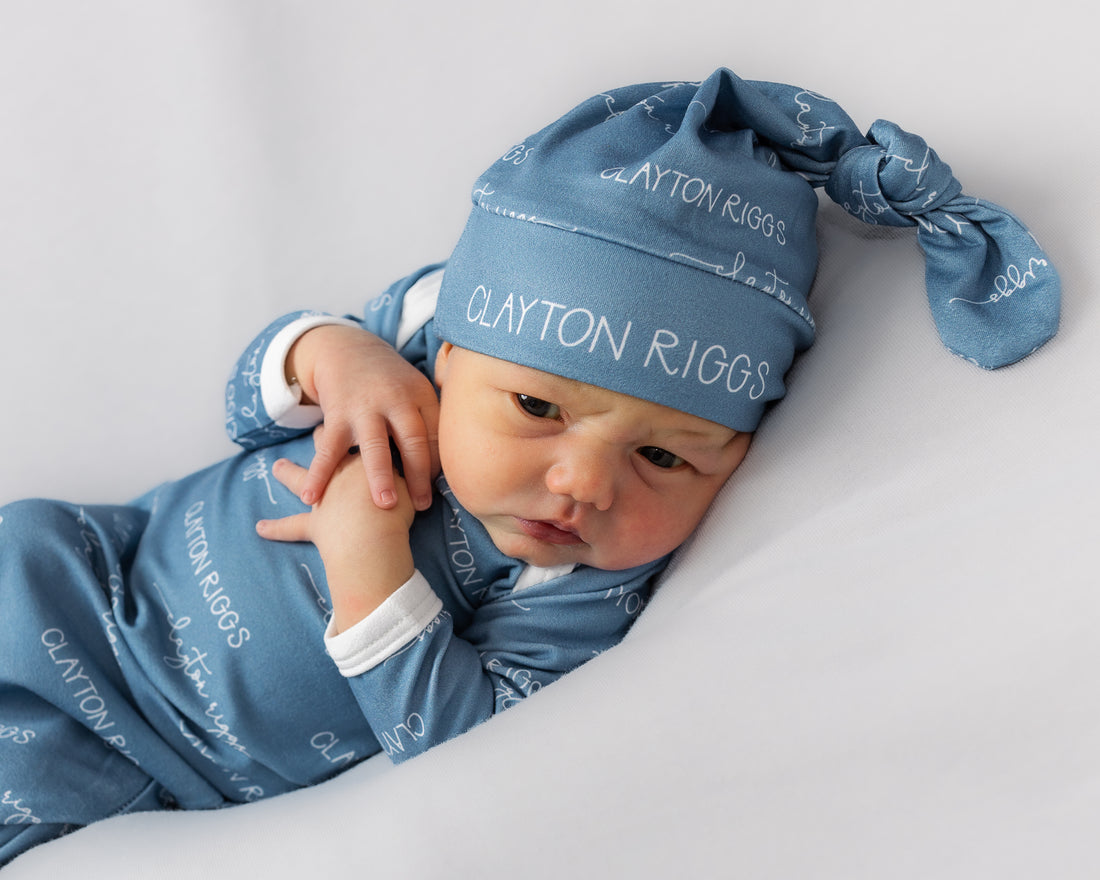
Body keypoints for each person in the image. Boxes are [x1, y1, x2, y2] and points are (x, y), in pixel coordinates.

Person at [0, 68, 1059, 865]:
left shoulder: (576, 584)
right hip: (74, 575)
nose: (583, 485)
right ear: (454, 351)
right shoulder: (417, 342)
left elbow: (457, 739)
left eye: (661, 455)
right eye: (538, 409)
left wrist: (372, 569)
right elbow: (243, 404)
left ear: (731, 455)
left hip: (148, 749)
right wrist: (331, 354)